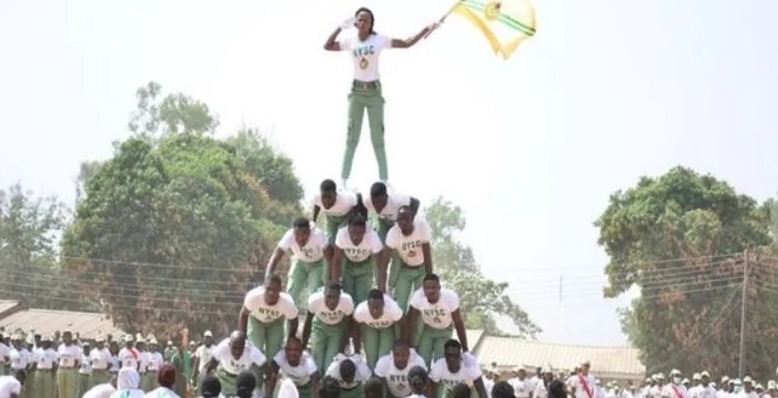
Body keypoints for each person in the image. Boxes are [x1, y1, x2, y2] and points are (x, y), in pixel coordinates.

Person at [324, 7, 440, 187]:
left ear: (371, 25)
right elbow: (327, 46)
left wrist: (427, 28)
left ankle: (384, 180)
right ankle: (344, 180)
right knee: (351, 136)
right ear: (356, 23)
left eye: (366, 20)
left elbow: (407, 43)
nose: (362, 23)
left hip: (374, 93)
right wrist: (340, 27)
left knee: (377, 138)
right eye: (359, 20)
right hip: (356, 92)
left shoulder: (379, 40)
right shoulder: (350, 42)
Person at [403, 273, 468, 366]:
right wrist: (408, 346)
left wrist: (465, 349)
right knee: (422, 361)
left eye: (433, 288)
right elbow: (410, 321)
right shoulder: (418, 297)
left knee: (440, 362)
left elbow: (458, 323)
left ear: (439, 288)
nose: (430, 291)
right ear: (423, 289)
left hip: (444, 329)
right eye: (427, 288)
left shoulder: (449, 297)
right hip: (428, 329)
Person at [265, 217, 330, 306]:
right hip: (300, 262)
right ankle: (288, 319)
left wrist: (329, 279)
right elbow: (275, 257)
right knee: (291, 294)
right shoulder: (289, 236)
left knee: (314, 296)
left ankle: (310, 319)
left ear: (309, 232)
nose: (301, 238)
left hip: (317, 264)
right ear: (293, 232)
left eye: (304, 234)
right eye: (297, 234)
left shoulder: (317, 235)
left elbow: (330, 258)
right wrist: (268, 278)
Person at [382, 206, 432, 311]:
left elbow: (427, 254)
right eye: (400, 219)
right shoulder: (393, 233)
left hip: (421, 268)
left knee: (420, 305)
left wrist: (429, 278)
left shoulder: (421, 226)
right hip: (405, 269)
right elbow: (384, 263)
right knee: (400, 306)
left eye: (406, 218)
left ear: (412, 218)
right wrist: (382, 288)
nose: (403, 222)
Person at [239, 274, 300, 361]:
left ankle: (271, 374)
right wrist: (243, 335)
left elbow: (294, 320)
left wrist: (290, 338)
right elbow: (244, 314)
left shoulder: (287, 302)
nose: (271, 293)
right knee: (255, 352)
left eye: (275, 290)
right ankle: (256, 374)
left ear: (280, 290)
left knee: (274, 354)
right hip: (256, 320)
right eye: (268, 289)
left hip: (276, 322)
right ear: (263, 288)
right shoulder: (253, 296)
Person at [303, 282, 356, 374]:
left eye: (335, 298)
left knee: (330, 364)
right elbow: (308, 323)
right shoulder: (315, 300)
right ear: (323, 295)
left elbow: (348, 325)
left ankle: (327, 385)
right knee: (317, 363)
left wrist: (341, 349)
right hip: (319, 326)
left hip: (337, 328)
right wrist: (303, 346)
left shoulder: (347, 301)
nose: (331, 301)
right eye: (328, 297)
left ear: (340, 296)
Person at [331, 214, 385, 303]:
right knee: (347, 298)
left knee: (362, 299)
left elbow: (379, 265)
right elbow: (337, 260)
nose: (355, 237)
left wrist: (381, 288)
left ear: (364, 231)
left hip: (365, 266)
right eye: (352, 233)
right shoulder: (342, 234)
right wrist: (335, 284)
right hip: (348, 265)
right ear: (348, 229)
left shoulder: (373, 237)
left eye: (360, 234)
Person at [204, 331, 267, 398]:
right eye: (234, 348)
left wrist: (269, 394)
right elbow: (209, 368)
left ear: (244, 346)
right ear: (229, 345)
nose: (237, 352)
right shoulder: (223, 347)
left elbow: (269, 373)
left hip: (242, 381)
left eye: (240, 348)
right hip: (224, 377)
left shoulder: (251, 350)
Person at [353, 289, 403, 369]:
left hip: (387, 328)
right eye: (372, 308)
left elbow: (402, 324)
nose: (375, 311)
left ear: (383, 304)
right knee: (371, 359)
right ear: (368, 305)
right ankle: (372, 379)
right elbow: (355, 329)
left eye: (377, 307)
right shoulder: (360, 311)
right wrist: (356, 350)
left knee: (383, 359)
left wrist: (399, 343)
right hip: (370, 328)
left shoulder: (393, 308)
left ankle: (381, 378)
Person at [312, 179, 364, 247]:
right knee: (331, 239)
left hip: (346, 216)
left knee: (342, 235)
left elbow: (357, 199)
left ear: (335, 194)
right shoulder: (317, 198)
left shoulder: (345, 200)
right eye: (324, 197)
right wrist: (314, 220)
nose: (326, 201)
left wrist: (356, 220)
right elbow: (317, 206)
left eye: (330, 197)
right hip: (330, 217)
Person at [57, 330, 81, 398]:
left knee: (70, 390)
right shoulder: (60, 347)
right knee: (61, 389)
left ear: (71, 337)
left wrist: (71, 367)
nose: (67, 337)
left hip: (70, 370)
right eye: (65, 336)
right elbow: (58, 359)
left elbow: (76, 361)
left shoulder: (75, 348)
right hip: (61, 370)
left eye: (68, 336)